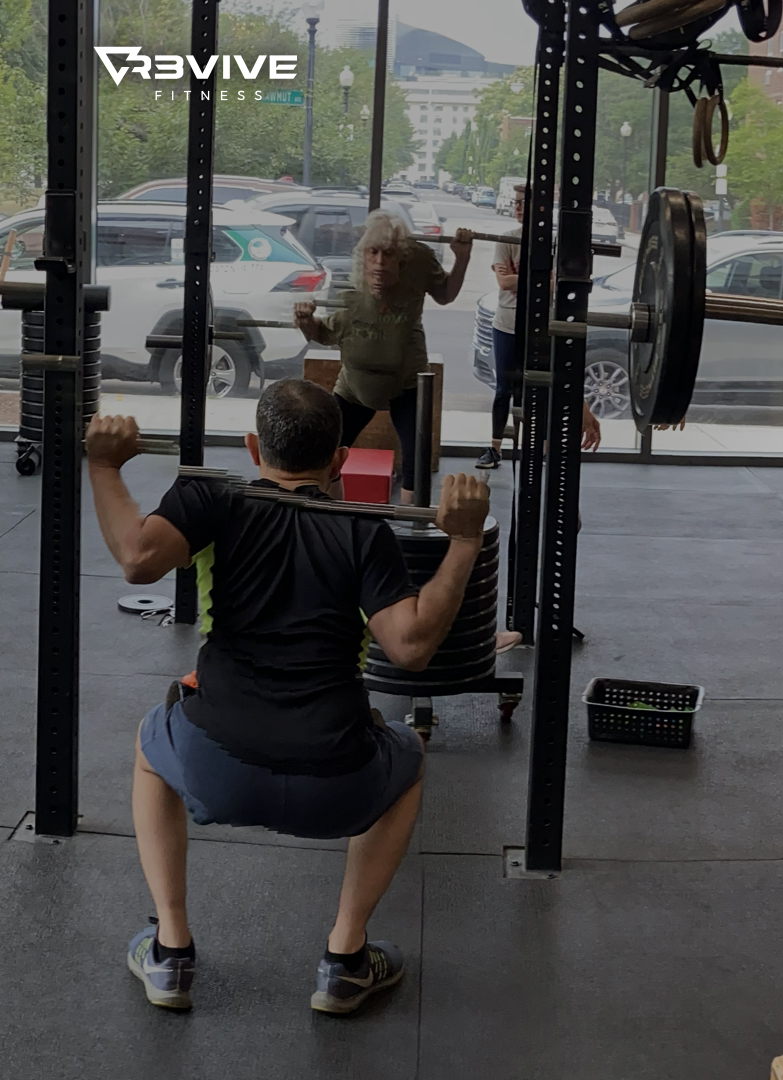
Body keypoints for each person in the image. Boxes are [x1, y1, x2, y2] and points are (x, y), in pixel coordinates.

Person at [90, 382, 492, 1014]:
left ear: (254, 448)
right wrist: (464, 542)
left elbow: (138, 559)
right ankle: (345, 958)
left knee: (151, 745)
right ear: (340, 461)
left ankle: (170, 952)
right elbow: (411, 647)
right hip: (338, 784)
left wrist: (104, 464)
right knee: (408, 756)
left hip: (215, 767)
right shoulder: (364, 531)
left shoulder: (210, 496)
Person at [291, 208, 472, 504]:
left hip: (407, 384)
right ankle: (326, 519)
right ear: (363, 256)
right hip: (353, 386)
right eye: (372, 254)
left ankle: (410, 536)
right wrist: (304, 320)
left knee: (417, 464)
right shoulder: (350, 288)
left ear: (401, 257)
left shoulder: (419, 261)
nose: (379, 263)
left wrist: (462, 256)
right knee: (324, 457)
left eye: (387, 255)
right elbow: (322, 334)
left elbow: (446, 295)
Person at [477, 184, 526, 470]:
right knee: (503, 389)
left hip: (535, 326)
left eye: (523, 202)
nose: (517, 207)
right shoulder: (506, 239)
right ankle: (494, 449)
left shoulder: (551, 242)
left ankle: (526, 447)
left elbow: (553, 284)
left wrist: (521, 275)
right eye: (515, 202)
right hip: (506, 323)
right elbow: (504, 283)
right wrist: (537, 277)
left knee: (529, 390)